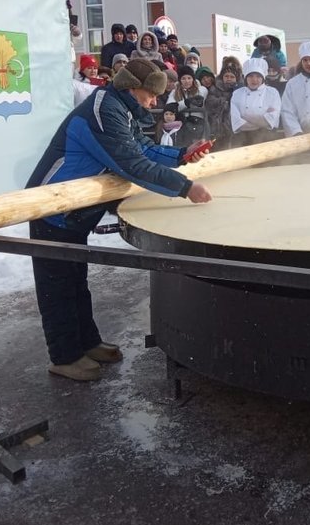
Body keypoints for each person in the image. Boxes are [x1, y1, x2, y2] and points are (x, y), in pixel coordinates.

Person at [26, 59, 212, 382]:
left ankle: (87, 342)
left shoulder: (120, 108)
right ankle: (65, 356)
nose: (154, 102)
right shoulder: (103, 111)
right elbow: (132, 165)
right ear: (131, 87)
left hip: (75, 215)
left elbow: (142, 148)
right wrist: (185, 187)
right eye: (150, 95)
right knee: (57, 288)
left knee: (75, 282)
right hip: (51, 211)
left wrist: (182, 155)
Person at [230, 58, 282, 145]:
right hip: (243, 140)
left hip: (267, 139)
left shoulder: (272, 93)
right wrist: (261, 119)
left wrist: (246, 117)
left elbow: (271, 120)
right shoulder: (237, 94)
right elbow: (237, 122)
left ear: (263, 78)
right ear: (245, 78)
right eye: (250, 76)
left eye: (258, 76)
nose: (254, 80)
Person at [204, 58, 243, 150]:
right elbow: (210, 103)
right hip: (218, 128)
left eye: (232, 77)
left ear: (236, 78)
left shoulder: (241, 90)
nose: (229, 79)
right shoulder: (215, 88)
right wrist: (224, 102)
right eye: (226, 76)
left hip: (237, 128)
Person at [165, 65, 209, 146]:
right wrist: (185, 103)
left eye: (189, 78)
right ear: (180, 80)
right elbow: (169, 107)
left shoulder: (202, 90)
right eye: (183, 78)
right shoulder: (175, 92)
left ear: (193, 79)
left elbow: (204, 102)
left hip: (199, 124)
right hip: (182, 124)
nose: (187, 81)